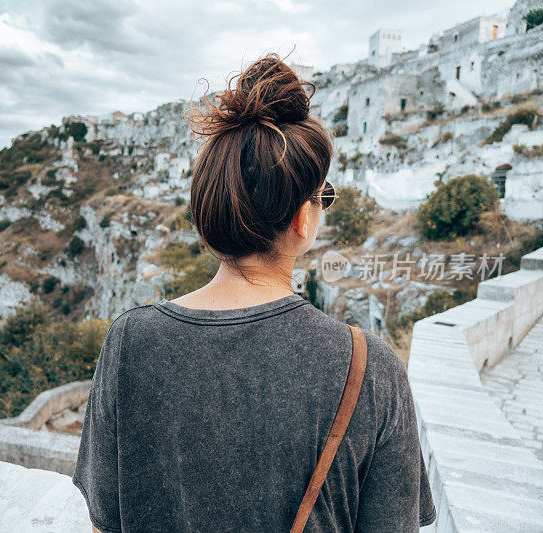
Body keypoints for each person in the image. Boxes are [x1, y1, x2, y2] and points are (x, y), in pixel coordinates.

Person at [71, 52, 436, 532]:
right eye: (322, 197)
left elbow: (104, 525)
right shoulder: (372, 370)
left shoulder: (129, 343)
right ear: (303, 219)